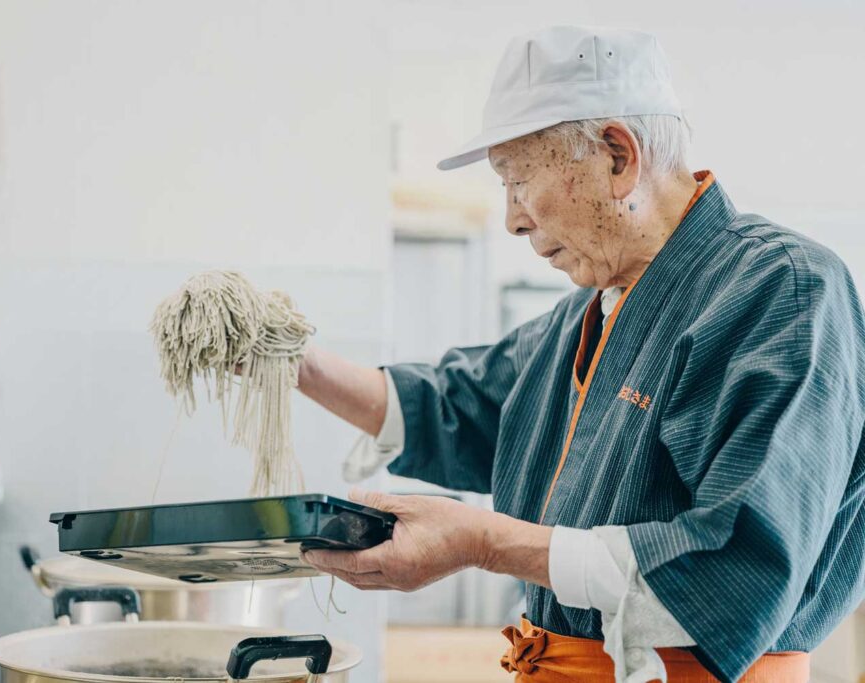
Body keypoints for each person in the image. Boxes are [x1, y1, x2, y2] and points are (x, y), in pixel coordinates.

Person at [298, 25, 865, 683]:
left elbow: (735, 564)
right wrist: (290, 362)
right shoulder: (588, 310)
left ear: (618, 156)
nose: (511, 219)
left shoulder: (784, 291)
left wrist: (480, 542)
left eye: (518, 181)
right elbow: (458, 406)